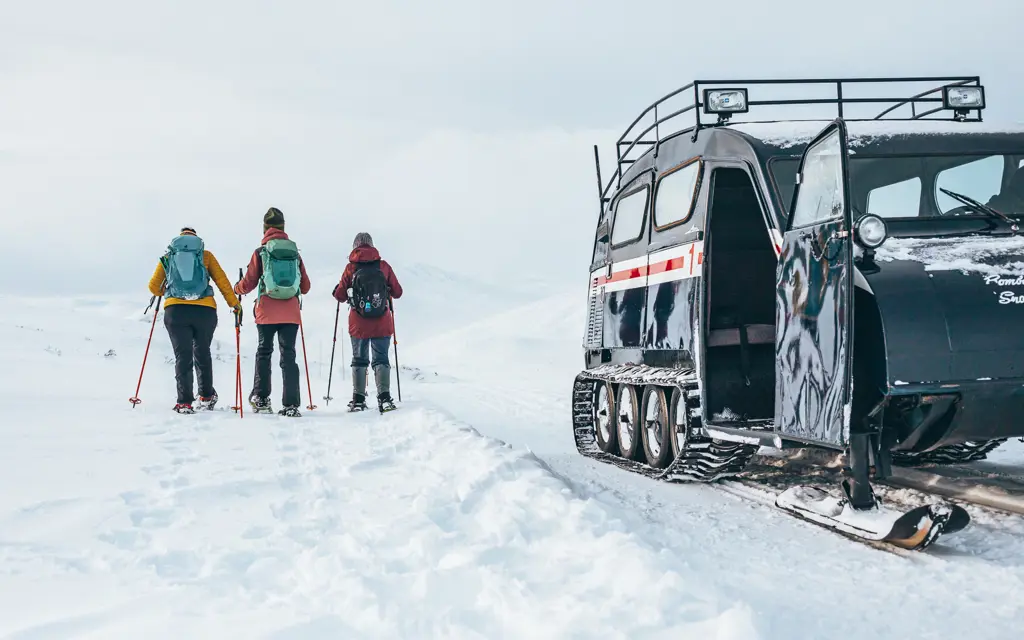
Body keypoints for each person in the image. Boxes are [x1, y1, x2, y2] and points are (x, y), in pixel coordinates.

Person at [148, 227, 242, 414]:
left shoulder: (169, 257)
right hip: (205, 310)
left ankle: (184, 402)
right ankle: (206, 396)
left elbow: (153, 287)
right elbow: (222, 281)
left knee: (182, 355)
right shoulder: (205, 255)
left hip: (176, 310)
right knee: (202, 351)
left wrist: (166, 290)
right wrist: (234, 304)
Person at [234, 207, 312, 417]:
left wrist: (237, 288)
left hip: (266, 311)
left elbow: (249, 283)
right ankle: (291, 404)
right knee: (289, 356)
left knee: (264, 352)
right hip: (291, 313)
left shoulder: (261, 252)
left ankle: (261, 398)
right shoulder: (294, 253)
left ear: (265, 228)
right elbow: (305, 287)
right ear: (283, 227)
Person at [332, 232, 403, 412]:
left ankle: (358, 399)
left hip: (358, 323)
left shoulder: (351, 268)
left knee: (359, 359)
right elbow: (398, 292)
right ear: (371, 246)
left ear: (355, 247)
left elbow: (340, 296)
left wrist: (339, 291)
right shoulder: (384, 266)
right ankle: (384, 398)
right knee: (381, 359)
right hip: (382, 322)